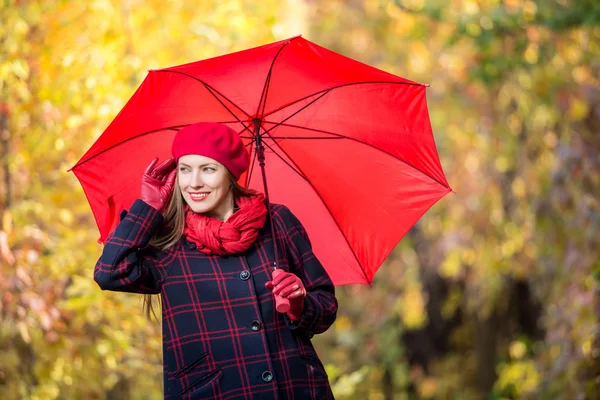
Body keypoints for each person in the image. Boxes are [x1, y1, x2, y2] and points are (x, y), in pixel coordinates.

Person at [94, 122, 338, 399]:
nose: (193, 182)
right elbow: (109, 272)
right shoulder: (170, 241)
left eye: (207, 169)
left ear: (231, 173)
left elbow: (326, 307)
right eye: (185, 169)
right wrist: (148, 208)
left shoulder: (277, 221)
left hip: (297, 388)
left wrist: (299, 304)